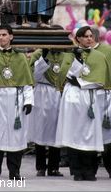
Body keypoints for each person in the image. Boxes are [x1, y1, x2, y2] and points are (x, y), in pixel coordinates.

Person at [55, 26, 111, 181]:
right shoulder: (69, 55)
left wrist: (81, 82)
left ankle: (90, 170)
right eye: (85, 36)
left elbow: (100, 80)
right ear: (78, 38)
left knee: (90, 134)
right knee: (74, 133)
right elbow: (63, 76)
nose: (89, 38)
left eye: (91, 36)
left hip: (90, 97)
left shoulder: (99, 56)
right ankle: (76, 170)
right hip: (73, 98)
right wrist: (76, 64)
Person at [0, 24, 34, 180]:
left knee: (16, 137)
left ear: (11, 36)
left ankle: (14, 172)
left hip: (17, 101)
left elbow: (26, 83)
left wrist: (29, 101)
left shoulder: (20, 57)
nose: (1, 38)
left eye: (4, 35)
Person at [28, 48, 72, 177]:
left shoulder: (66, 54)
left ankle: (54, 167)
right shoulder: (38, 53)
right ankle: (40, 167)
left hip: (58, 92)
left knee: (56, 131)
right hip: (42, 91)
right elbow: (34, 75)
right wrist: (44, 58)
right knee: (40, 130)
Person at [91, 27, 111, 179]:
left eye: (90, 36)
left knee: (107, 135)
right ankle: (91, 169)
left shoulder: (109, 51)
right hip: (89, 96)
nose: (87, 39)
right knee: (91, 133)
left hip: (107, 94)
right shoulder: (81, 52)